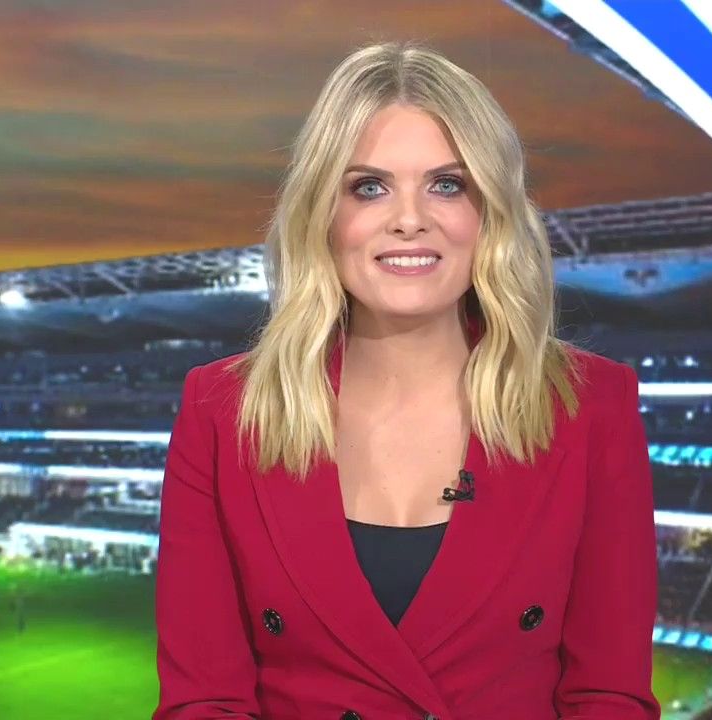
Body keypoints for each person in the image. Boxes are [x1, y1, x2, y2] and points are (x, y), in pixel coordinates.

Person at [153, 40, 659, 720]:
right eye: (369, 187)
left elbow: (608, 695)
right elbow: (204, 702)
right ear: (321, 215)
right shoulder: (221, 411)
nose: (410, 219)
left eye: (447, 185)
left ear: (489, 213)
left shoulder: (591, 405)